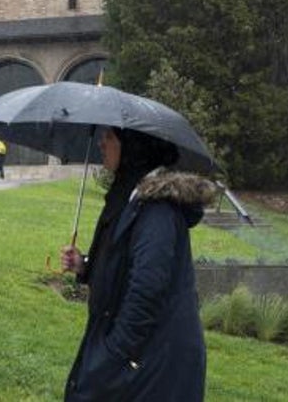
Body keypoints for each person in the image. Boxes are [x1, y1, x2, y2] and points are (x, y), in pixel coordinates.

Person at [60, 127, 217, 401]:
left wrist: (114, 353)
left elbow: (147, 287)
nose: (101, 144)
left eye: (109, 137)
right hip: (139, 355)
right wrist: (85, 265)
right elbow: (124, 261)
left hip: (153, 360)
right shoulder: (129, 197)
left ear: (132, 145)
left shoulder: (157, 209)